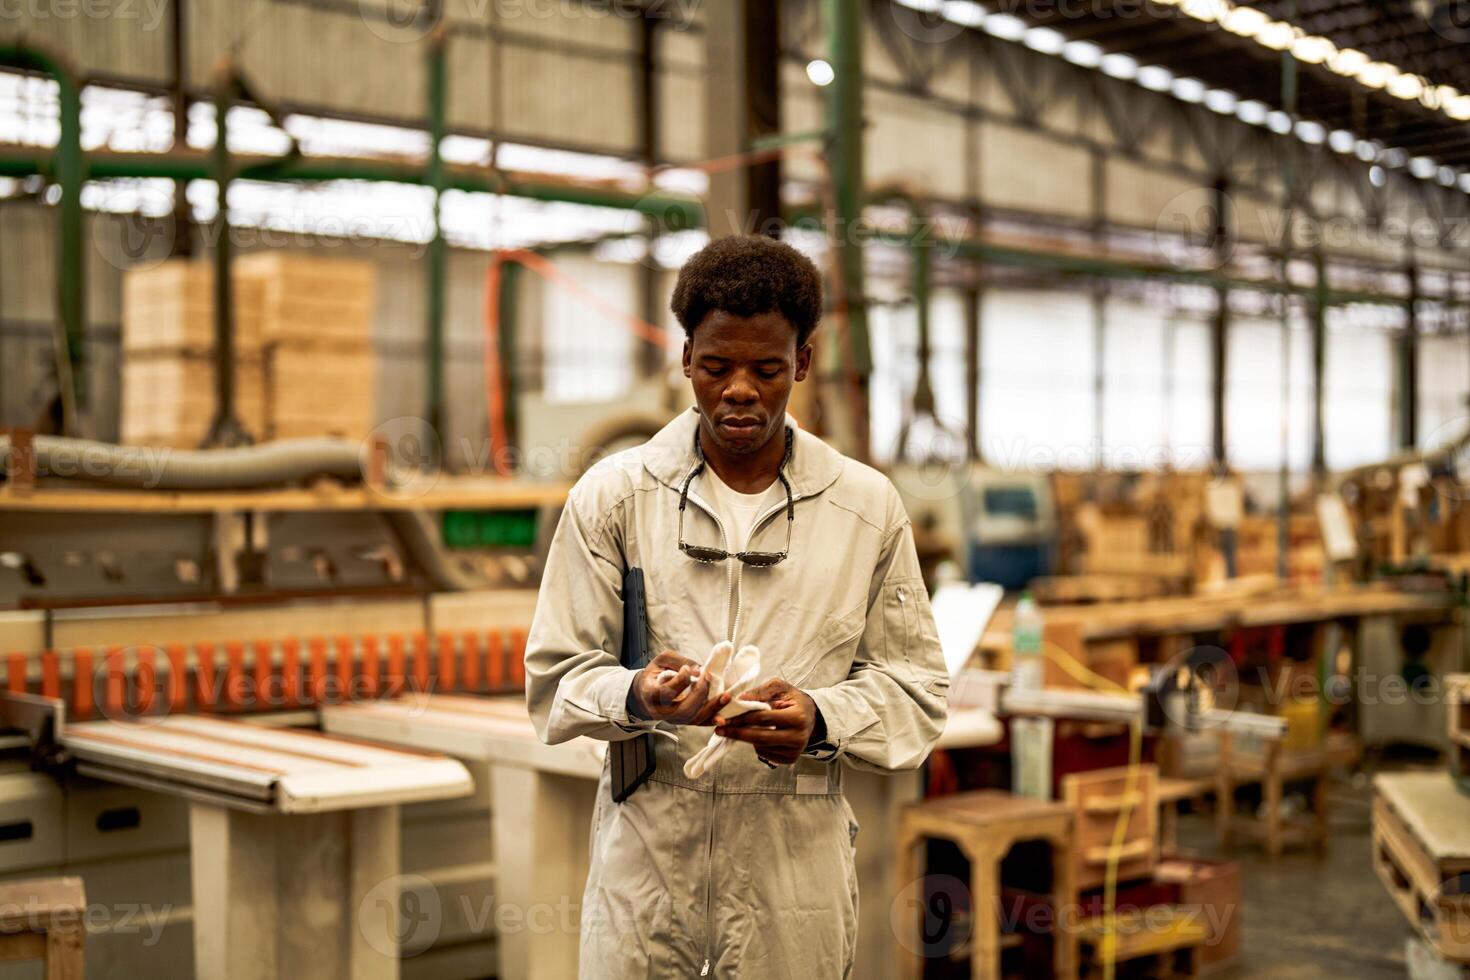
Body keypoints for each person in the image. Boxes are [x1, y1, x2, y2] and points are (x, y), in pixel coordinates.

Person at [525, 234, 949, 978]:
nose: (741, 390)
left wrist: (822, 719)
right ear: (686, 358)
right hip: (646, 864)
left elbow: (916, 689)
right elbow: (556, 678)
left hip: (794, 872)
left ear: (804, 364)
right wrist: (638, 692)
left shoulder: (864, 508)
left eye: (768, 368)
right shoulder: (616, 496)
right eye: (717, 367)